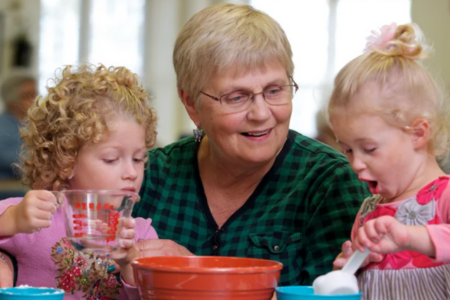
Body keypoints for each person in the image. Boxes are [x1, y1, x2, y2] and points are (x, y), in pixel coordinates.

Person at [131, 3, 371, 286]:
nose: (260, 113)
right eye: (236, 97)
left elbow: (336, 293)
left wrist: (197, 277)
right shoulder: (147, 176)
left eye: (274, 90)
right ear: (191, 104)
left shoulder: (330, 183)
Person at [0, 64, 158, 299]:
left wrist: (129, 261)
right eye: (111, 159)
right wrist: (13, 220)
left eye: (138, 158)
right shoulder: (36, 217)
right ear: (66, 160)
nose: (132, 172)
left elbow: (150, 295)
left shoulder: (140, 234)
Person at [329, 23, 450, 300]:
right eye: (347, 150)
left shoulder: (444, 195)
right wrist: (351, 267)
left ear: (417, 134)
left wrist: (409, 236)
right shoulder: (370, 208)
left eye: (369, 149)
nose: (356, 163)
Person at [0, 71, 37, 180]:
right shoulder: (3, 127)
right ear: (11, 101)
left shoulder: (35, 125)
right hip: (8, 188)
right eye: (27, 96)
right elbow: (17, 162)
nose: (34, 100)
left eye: (35, 94)